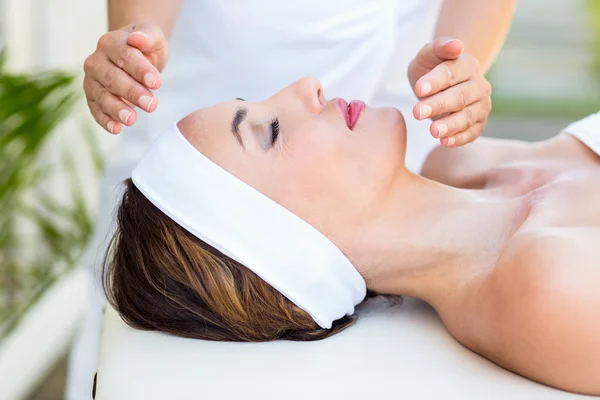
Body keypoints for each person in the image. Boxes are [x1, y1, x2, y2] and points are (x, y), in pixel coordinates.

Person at [71, 1, 516, 398]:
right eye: (272, 130)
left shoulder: (473, 180)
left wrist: (456, 62)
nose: (310, 84)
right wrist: (136, 46)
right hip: (201, 199)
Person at [104, 77, 600, 396]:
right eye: (271, 131)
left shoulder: (462, 161)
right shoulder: (542, 290)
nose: (306, 87)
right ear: (289, 243)